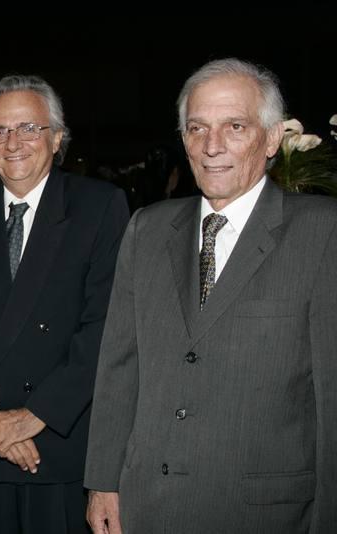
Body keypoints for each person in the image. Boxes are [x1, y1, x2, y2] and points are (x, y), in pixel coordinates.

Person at [84, 58, 337, 533]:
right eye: (197, 128)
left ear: (272, 139)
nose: (212, 145)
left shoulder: (323, 231)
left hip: (263, 513)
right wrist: (102, 482)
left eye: (235, 127)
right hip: (147, 506)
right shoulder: (147, 228)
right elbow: (119, 366)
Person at [0, 74, 129, 533]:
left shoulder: (99, 207)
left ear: (56, 138)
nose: (13, 143)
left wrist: (35, 415)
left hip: (57, 443)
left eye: (29, 128)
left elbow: (106, 327)